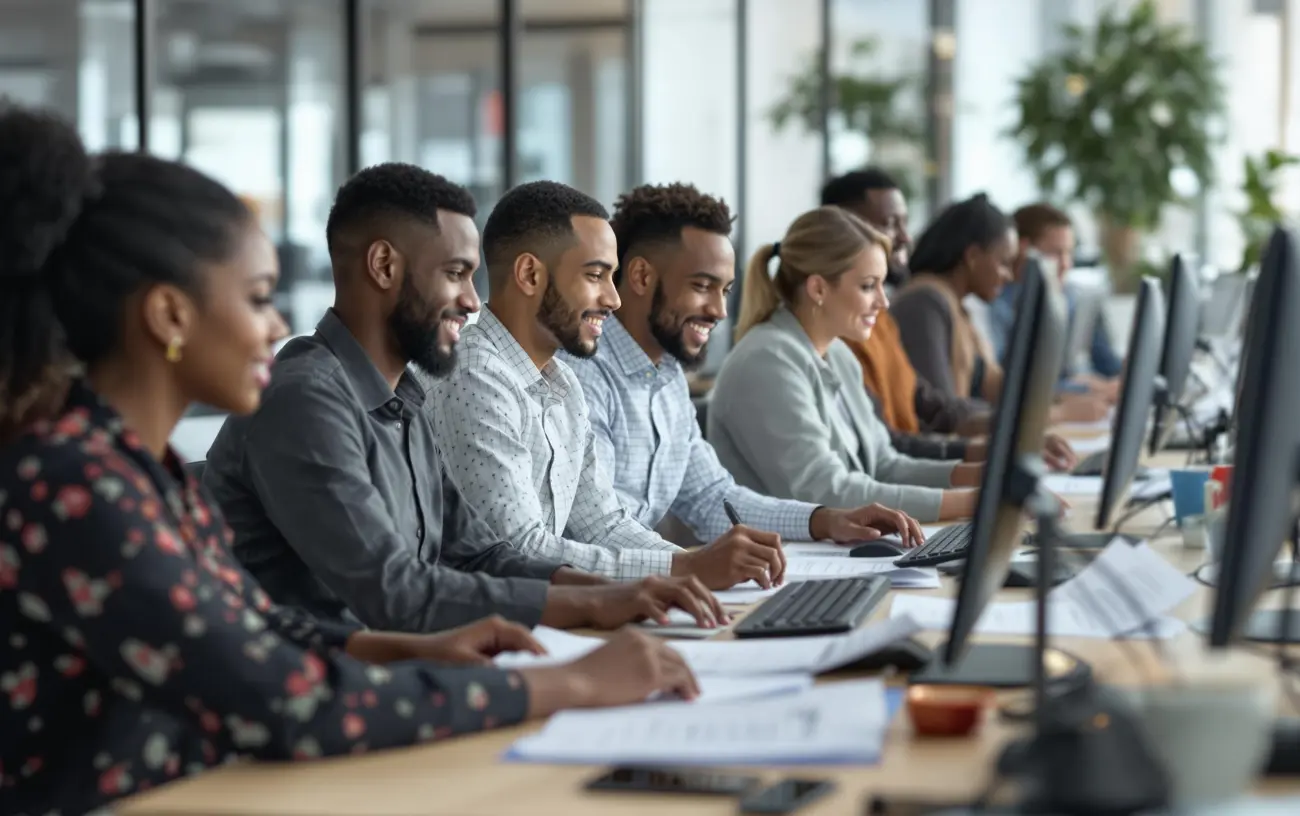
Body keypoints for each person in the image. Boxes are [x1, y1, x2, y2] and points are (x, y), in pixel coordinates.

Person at [0, 105, 699, 816]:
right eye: (257, 298)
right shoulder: (76, 484)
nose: (275, 325)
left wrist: (402, 652)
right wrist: (567, 684)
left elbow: (256, 628)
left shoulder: (142, 473)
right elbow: (289, 696)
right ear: (169, 317)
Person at [204, 163, 723, 633]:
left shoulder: (401, 401)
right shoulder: (305, 400)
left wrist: (628, 590)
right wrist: (591, 605)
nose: (474, 300)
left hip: (392, 669)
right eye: (455, 274)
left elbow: (483, 555)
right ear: (384, 266)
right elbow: (394, 592)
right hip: (322, 697)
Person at [428, 180, 787, 590]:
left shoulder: (562, 383)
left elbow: (601, 523)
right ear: (529, 274)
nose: (614, 299)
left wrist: (695, 563)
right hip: (487, 634)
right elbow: (516, 549)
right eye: (596, 275)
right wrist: (685, 570)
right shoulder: (474, 375)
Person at [564, 182, 926, 550]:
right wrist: (691, 566)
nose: (720, 311)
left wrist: (825, 520)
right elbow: (597, 531)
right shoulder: (583, 375)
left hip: (641, 588)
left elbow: (711, 498)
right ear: (642, 277)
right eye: (702, 286)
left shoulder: (667, 377)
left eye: (724, 291)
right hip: (591, 596)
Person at [709, 206, 981, 523]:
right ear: (819, 289)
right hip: (784, 562)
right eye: (868, 286)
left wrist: (977, 477)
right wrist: (969, 504)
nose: (884, 301)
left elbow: (884, 465)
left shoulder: (837, 353)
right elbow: (828, 493)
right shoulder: (766, 362)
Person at [818, 172, 1076, 473]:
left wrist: (1015, 432)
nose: (905, 236)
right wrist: (992, 449)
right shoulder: (918, 304)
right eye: (891, 223)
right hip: (895, 487)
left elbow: (933, 407)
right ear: (841, 229)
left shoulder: (883, 320)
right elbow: (897, 443)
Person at [891, 194, 1110, 423]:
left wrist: (1064, 398)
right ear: (973, 256)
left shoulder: (957, 307)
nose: (1008, 275)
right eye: (1004, 263)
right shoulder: (925, 302)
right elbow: (943, 412)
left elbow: (1001, 390)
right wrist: (1058, 413)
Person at [990, 203, 1122, 400]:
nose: (1065, 264)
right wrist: (1083, 390)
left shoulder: (1074, 298)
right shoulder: (995, 306)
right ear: (1023, 249)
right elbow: (1004, 384)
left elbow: (1108, 365)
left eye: (1069, 253)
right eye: (1055, 253)